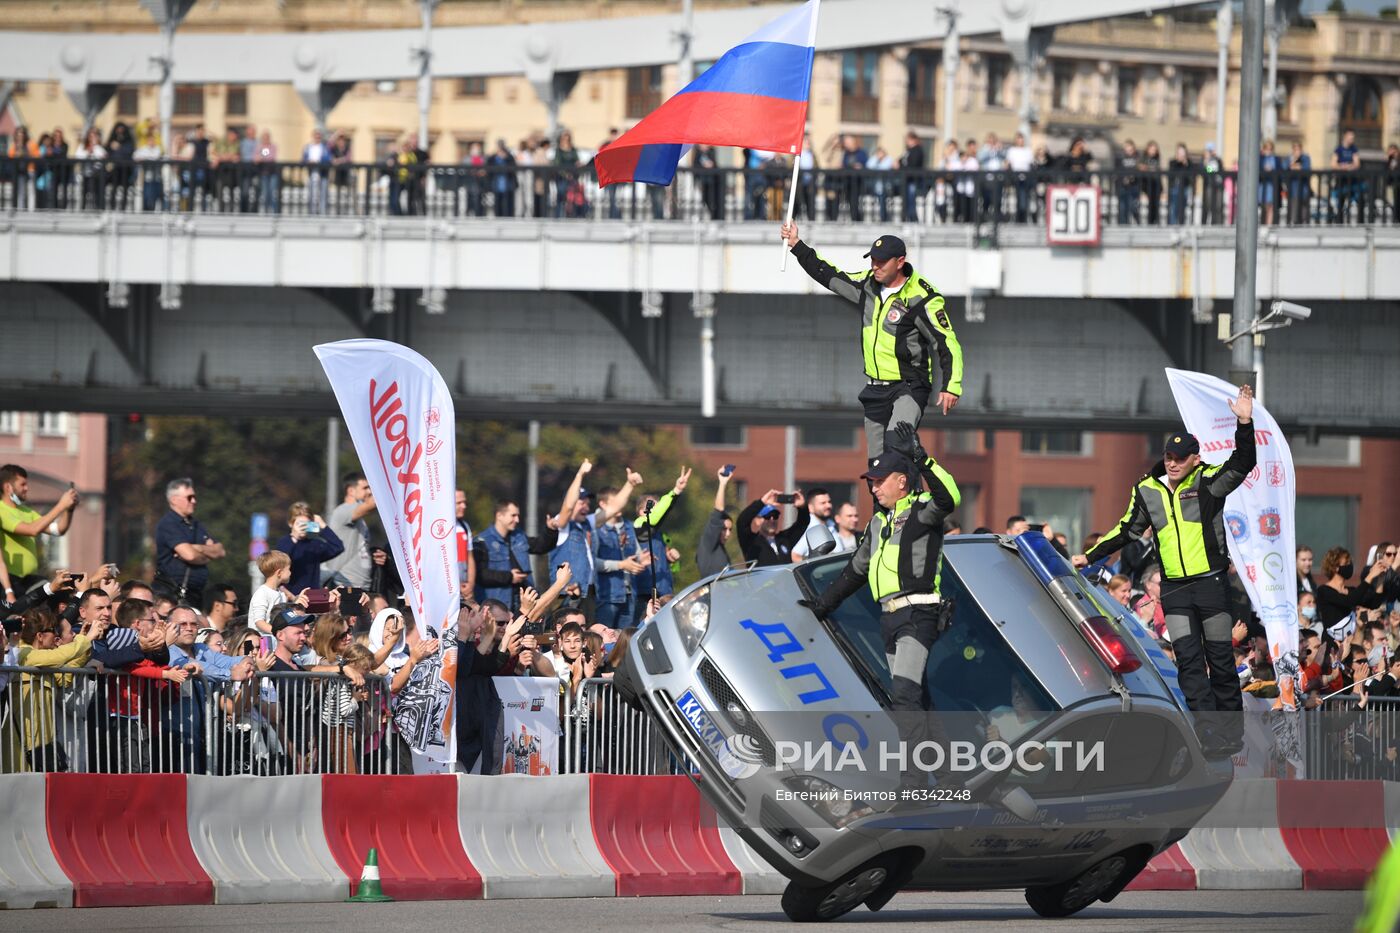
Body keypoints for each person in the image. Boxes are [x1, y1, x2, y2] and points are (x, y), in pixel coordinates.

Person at [1072, 385, 1256, 758]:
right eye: (1168, 456)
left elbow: (1242, 463)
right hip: (1174, 589)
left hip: (1211, 583)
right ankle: (1208, 733)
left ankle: (1231, 733)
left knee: (1220, 661)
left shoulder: (1207, 481)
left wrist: (1244, 421)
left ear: (1194, 457)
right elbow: (1126, 529)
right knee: (1188, 662)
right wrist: (1089, 556)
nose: (1172, 463)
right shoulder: (1147, 488)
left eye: (1179, 457)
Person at [800, 425, 959, 786]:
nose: (872, 487)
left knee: (903, 697)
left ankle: (914, 780)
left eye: (878, 480)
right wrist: (822, 605)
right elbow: (855, 570)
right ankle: (951, 779)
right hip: (889, 617)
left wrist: (924, 459)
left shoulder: (922, 510)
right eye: (870, 481)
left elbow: (949, 498)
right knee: (917, 699)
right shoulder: (877, 522)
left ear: (902, 481)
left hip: (919, 613)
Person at [781, 225, 964, 458]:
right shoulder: (867, 285)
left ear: (900, 262)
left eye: (881, 262)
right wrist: (797, 245)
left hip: (909, 386)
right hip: (875, 388)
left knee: (898, 445)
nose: (875, 266)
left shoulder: (922, 298)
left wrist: (951, 386)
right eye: (873, 260)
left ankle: (918, 489)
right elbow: (829, 275)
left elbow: (948, 343)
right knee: (877, 468)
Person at [0, 464, 79, 590]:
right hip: (11, 580)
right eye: (22, 484)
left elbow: (58, 530)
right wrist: (60, 506)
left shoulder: (27, 511)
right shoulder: (1, 510)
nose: (27, 488)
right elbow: (32, 530)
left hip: (31, 579)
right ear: (8, 487)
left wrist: (69, 510)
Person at [154, 478, 224, 606]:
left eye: (194, 497)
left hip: (195, 594)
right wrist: (207, 553)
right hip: (172, 596)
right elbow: (189, 555)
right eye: (189, 497)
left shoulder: (196, 524)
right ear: (174, 499)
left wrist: (198, 548)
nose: (194, 501)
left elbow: (220, 551)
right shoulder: (169, 524)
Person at [273, 501, 345, 593]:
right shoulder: (285, 542)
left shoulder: (314, 544)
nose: (303, 527)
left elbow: (338, 547)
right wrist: (295, 537)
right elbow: (280, 561)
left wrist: (323, 526)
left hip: (312, 596)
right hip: (290, 597)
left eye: (306, 524)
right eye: (299, 523)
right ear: (291, 524)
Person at [322, 472, 375, 590]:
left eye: (370, 488)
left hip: (361, 584)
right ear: (351, 490)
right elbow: (372, 504)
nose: (369, 492)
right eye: (365, 488)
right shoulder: (343, 510)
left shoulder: (359, 519)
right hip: (345, 583)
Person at [696, 466, 736, 578]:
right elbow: (718, 510)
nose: (727, 534)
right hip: (713, 594)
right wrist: (722, 483)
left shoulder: (721, 550)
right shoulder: (709, 541)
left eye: (730, 530)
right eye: (724, 529)